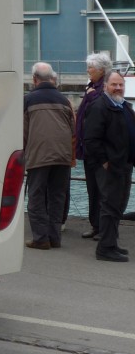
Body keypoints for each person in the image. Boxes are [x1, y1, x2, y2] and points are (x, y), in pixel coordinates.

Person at [22, 62, 76, 250]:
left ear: (34, 79)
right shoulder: (64, 100)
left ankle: (41, 238)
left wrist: (22, 154)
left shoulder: (28, 100)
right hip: (62, 156)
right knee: (57, 197)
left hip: (39, 156)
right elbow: (72, 129)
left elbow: (23, 132)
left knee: (36, 197)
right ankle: (55, 238)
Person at [83, 69, 135, 263]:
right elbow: (91, 139)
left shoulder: (123, 106)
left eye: (121, 84)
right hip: (110, 166)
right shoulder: (100, 107)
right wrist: (105, 161)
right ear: (105, 86)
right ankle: (104, 248)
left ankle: (111, 243)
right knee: (110, 205)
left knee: (118, 206)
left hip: (124, 164)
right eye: (114, 84)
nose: (118, 88)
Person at [75, 52, 112, 238]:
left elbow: (101, 110)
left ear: (101, 70)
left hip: (99, 150)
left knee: (103, 191)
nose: (88, 70)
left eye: (91, 67)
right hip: (89, 149)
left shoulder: (103, 89)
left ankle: (103, 228)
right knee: (92, 190)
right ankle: (95, 225)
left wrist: (90, 97)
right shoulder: (90, 87)